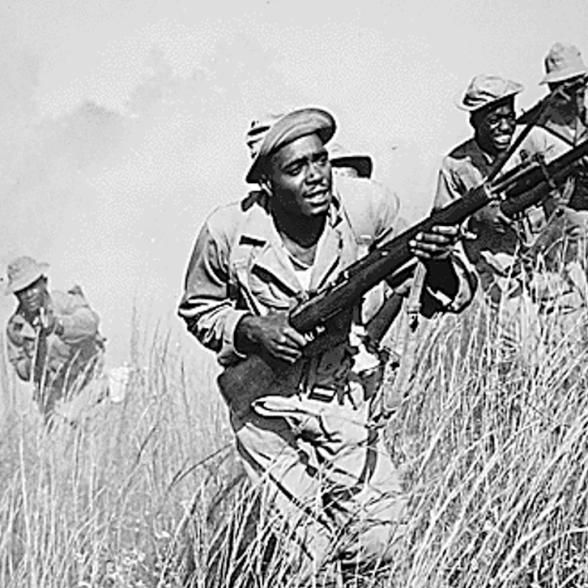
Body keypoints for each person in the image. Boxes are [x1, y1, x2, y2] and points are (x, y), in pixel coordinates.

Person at [178, 107, 476, 580]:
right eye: (296, 169)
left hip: (343, 396)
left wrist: (437, 260)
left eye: (320, 160)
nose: (316, 176)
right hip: (267, 409)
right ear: (267, 183)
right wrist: (254, 329)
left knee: (381, 540)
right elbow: (198, 309)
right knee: (307, 558)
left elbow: (435, 290)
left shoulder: (368, 207)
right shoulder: (227, 231)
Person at [5, 256, 106, 423]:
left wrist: (58, 325)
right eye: (22, 290)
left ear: (44, 283)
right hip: (54, 399)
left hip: (89, 385)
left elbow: (90, 321)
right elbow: (22, 370)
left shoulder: (63, 302)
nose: (29, 295)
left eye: (33, 287)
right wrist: (35, 360)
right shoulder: (16, 327)